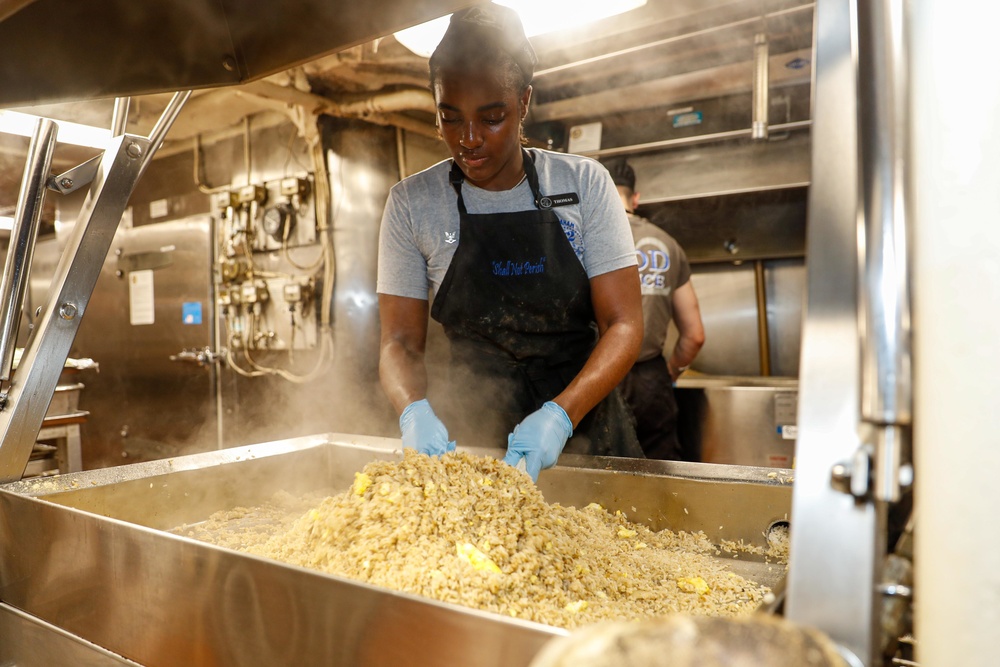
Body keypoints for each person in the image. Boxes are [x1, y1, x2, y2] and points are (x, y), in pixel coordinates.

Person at [376, 5, 645, 482]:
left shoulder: (585, 183)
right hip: (473, 434)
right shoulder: (411, 204)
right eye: (450, 117)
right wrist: (412, 411)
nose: (470, 139)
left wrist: (560, 416)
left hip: (583, 425)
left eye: (492, 116)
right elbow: (398, 342)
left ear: (524, 102)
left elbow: (623, 324)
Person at [605, 158, 705, 460]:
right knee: (658, 476)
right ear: (635, 198)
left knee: (599, 474)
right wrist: (669, 372)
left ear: (600, 194)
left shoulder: (588, 239)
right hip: (652, 380)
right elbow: (694, 336)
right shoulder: (670, 245)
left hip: (601, 377)